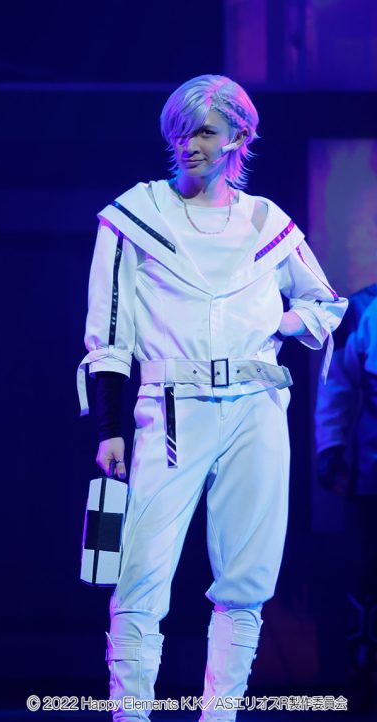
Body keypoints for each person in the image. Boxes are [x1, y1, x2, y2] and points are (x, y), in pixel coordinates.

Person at [77, 74, 346, 721]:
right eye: (180, 131)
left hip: (257, 405)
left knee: (247, 577)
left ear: (237, 136)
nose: (189, 144)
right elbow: (109, 334)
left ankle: (220, 714)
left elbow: (325, 302)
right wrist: (109, 428)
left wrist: (285, 322)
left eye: (203, 131)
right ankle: (130, 714)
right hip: (172, 408)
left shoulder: (265, 222)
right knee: (140, 572)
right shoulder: (136, 216)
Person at [314, 282, 377, 704]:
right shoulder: (363, 309)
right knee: (367, 575)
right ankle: (364, 671)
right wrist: (330, 447)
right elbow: (336, 383)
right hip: (372, 475)